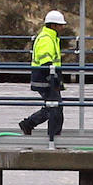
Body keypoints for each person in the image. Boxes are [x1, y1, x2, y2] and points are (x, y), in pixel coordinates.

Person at [19, 10, 67, 139]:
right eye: (60, 25)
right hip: (45, 79)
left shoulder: (50, 37)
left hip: (47, 78)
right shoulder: (46, 39)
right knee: (54, 107)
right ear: (53, 25)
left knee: (54, 106)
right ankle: (51, 136)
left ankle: (32, 125)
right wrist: (53, 79)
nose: (63, 28)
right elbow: (46, 63)